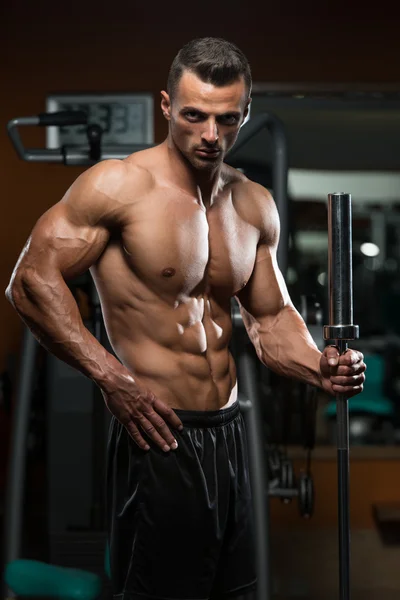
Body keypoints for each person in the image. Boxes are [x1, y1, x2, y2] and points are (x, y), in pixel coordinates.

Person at [6, 37, 366, 600]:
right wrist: (111, 377)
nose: (210, 135)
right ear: (167, 106)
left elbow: (271, 321)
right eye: (195, 115)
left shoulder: (252, 203)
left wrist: (319, 366)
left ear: (244, 113)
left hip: (228, 434)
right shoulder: (120, 186)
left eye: (227, 119)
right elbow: (29, 281)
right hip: (159, 435)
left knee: (235, 590)